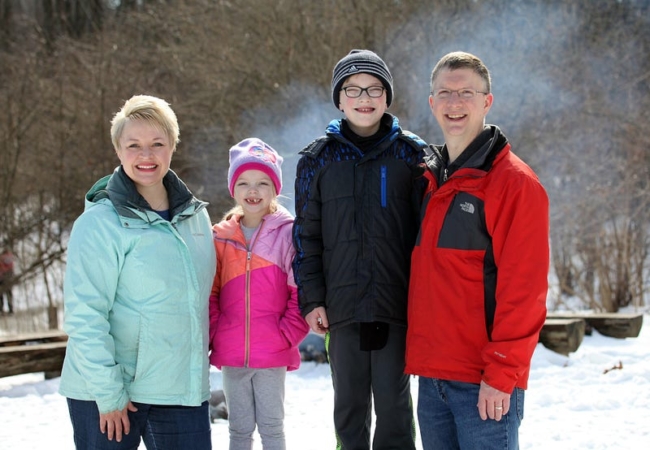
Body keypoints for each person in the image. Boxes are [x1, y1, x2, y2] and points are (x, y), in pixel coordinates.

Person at [405, 51, 550, 450]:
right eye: (445, 93)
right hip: (432, 381)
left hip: (483, 384)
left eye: (466, 92)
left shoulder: (514, 184)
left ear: (487, 101)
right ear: (431, 103)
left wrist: (502, 375)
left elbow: (525, 292)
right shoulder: (428, 179)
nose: (455, 103)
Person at [58, 95, 217, 450]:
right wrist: (108, 393)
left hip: (180, 391)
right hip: (111, 395)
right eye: (134, 145)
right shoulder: (99, 223)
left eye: (157, 144)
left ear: (173, 146)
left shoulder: (197, 219)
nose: (146, 155)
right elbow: (85, 316)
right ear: (118, 149)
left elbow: (199, 303)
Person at [292, 49, 427, 450]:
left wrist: (425, 301)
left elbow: (427, 236)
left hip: (396, 305)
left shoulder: (413, 154)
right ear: (339, 98)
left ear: (387, 97)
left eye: (373, 88)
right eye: (352, 89)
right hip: (342, 307)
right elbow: (305, 237)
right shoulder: (317, 160)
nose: (363, 97)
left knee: (394, 410)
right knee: (349, 410)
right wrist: (312, 297)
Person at [209, 138, 310, 450]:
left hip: (273, 352)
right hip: (233, 353)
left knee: (271, 428)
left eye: (262, 182)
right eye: (244, 183)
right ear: (233, 189)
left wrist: (285, 335)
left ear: (275, 188)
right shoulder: (220, 237)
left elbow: (300, 291)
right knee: (238, 431)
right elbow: (209, 292)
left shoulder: (288, 234)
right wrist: (217, 332)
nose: (253, 191)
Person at [0, 248, 16, 314]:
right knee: (9, 293)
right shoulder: (11, 258)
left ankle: (1, 309)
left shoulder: (1, 258)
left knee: (1, 294)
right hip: (9, 278)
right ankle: (11, 309)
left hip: (1, 278)